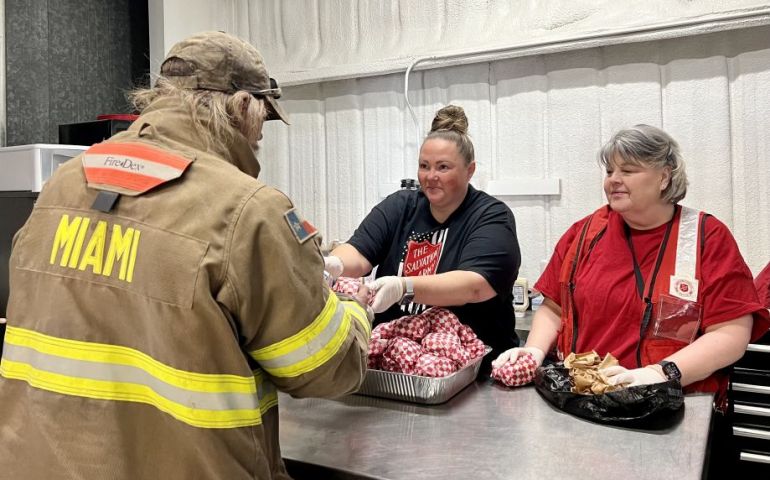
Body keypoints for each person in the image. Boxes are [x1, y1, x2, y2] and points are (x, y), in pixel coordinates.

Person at [0, 31, 371, 480]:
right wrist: (355, 310)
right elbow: (325, 369)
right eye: (263, 119)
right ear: (241, 107)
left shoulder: (63, 185)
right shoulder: (246, 210)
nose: (258, 138)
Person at [325, 105, 521, 366]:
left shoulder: (491, 217)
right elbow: (359, 252)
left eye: (443, 167)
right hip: (397, 360)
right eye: (424, 166)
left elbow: (475, 285)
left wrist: (405, 287)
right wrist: (332, 265)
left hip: (471, 370)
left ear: (469, 170)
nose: (430, 177)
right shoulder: (401, 206)